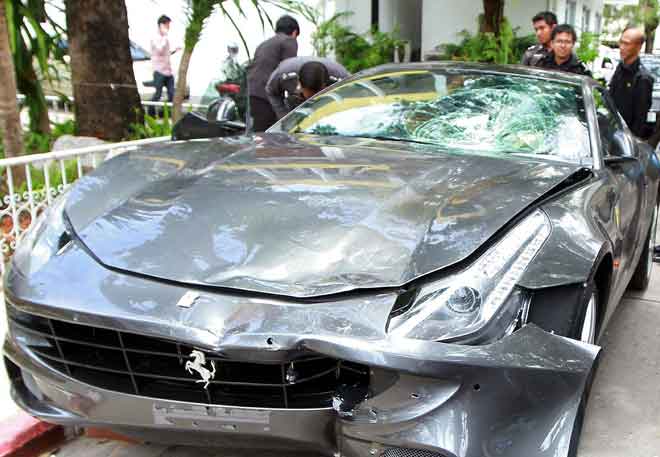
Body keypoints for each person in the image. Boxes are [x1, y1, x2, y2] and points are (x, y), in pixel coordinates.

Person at [247, 15, 300, 131]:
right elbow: (288, 71)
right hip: (266, 94)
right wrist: (297, 95)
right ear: (295, 32)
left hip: (251, 91)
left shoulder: (264, 44)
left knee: (259, 131)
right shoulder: (289, 41)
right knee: (268, 134)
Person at [266, 57, 349, 119]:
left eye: (316, 96)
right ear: (299, 84)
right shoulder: (282, 74)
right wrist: (284, 117)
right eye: (309, 97)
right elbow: (271, 91)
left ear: (325, 85)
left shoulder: (342, 78)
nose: (312, 100)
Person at [609, 26, 654, 139]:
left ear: (638, 47)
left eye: (627, 44)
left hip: (627, 139)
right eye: (621, 42)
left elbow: (640, 119)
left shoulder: (642, 78)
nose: (622, 47)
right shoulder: (620, 68)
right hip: (611, 131)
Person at [150, 15, 180, 104]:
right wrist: (165, 36)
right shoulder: (155, 37)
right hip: (159, 71)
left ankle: (170, 114)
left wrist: (174, 50)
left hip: (168, 71)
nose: (169, 27)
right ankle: (150, 113)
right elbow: (159, 50)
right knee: (157, 95)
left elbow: (166, 53)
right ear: (161, 25)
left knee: (172, 94)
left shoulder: (165, 38)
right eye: (167, 25)